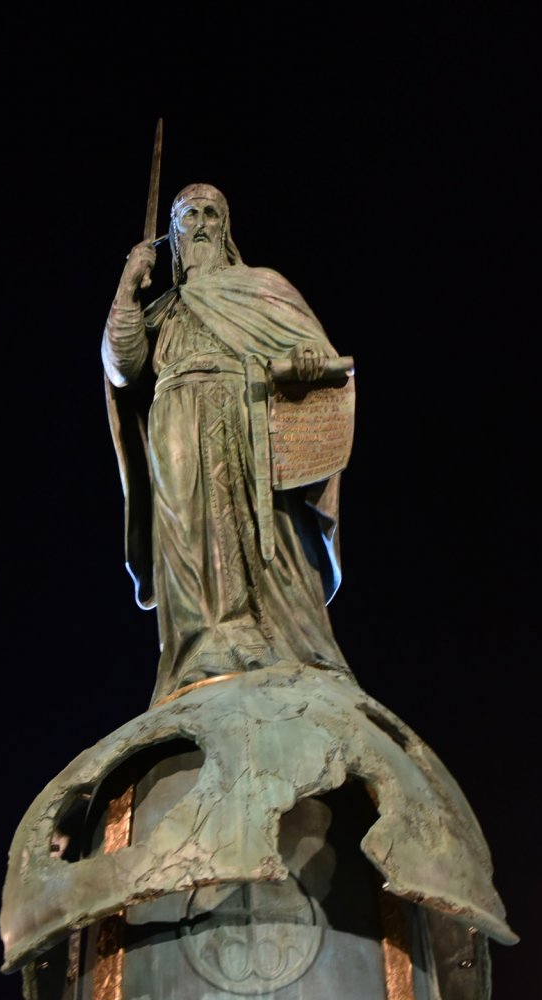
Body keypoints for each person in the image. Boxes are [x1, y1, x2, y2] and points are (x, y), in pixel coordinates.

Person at [101, 183, 353, 704]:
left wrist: (308, 357)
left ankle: (284, 643)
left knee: (260, 530)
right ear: (173, 235)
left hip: (246, 414)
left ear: (226, 228)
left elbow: (312, 348)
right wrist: (128, 285)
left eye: (211, 213)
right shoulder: (164, 309)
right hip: (175, 419)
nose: (200, 223)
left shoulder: (260, 287)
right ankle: (200, 650)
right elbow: (123, 367)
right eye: (189, 215)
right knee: (186, 530)